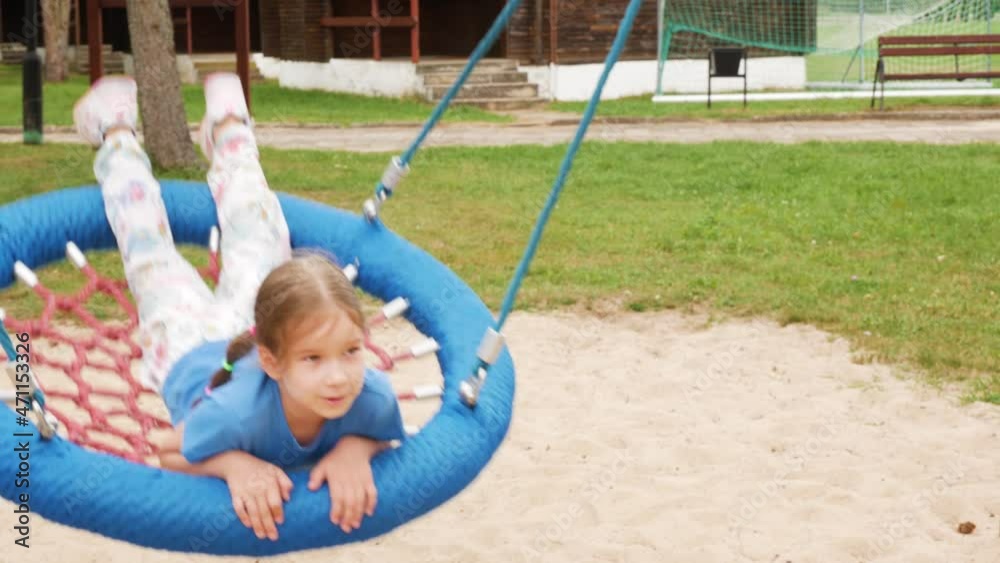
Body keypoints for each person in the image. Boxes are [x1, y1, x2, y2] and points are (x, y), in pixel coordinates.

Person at [73, 73, 405, 542]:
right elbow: (170, 448)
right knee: (145, 241)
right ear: (272, 361)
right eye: (315, 358)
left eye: (351, 351)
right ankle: (116, 130)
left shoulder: (369, 394)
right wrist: (235, 465)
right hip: (184, 346)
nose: (338, 376)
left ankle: (226, 126)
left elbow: (382, 432)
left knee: (260, 226)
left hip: (253, 328)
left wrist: (357, 448)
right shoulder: (235, 413)